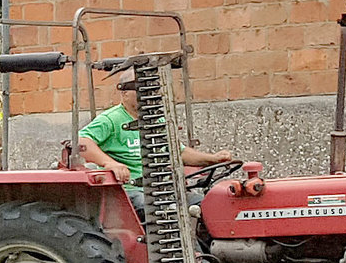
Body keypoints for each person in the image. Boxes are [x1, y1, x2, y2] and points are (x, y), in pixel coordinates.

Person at [77, 69, 233, 214]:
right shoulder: (111, 120)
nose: (147, 94)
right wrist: (110, 163)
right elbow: (81, 141)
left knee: (210, 206)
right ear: (124, 92)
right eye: (140, 88)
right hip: (130, 191)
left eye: (150, 89)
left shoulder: (157, 120)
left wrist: (212, 159)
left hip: (165, 190)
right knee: (158, 210)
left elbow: (179, 152)